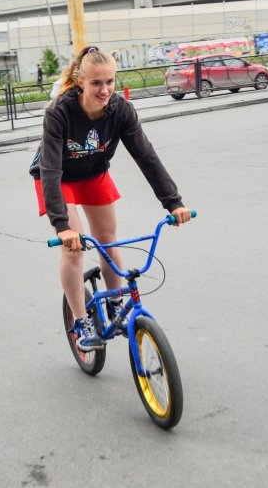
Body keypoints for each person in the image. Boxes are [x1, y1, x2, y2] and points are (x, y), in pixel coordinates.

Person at [28, 45, 192, 352]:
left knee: (109, 242)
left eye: (110, 82)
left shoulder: (121, 110)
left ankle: (117, 305)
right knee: (74, 249)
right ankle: (81, 321)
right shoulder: (59, 113)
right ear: (80, 82)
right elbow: (50, 168)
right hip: (58, 178)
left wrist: (174, 202)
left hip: (93, 174)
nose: (105, 90)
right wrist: (62, 226)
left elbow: (146, 156)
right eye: (96, 83)